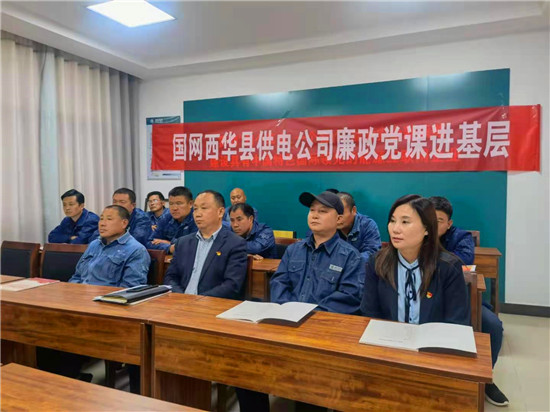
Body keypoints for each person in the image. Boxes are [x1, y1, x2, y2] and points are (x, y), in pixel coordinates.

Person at [237, 191, 364, 412]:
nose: (314, 215)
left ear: (338, 219)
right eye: (312, 210)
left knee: (310, 387)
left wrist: (307, 315)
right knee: (244, 368)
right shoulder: (294, 250)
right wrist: (289, 310)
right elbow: (279, 282)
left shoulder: (351, 256)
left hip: (322, 336)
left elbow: (350, 297)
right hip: (285, 327)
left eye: (323, 211)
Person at [38, 205, 150, 384]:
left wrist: (90, 301)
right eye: (101, 218)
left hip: (105, 311)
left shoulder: (136, 250)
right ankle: (55, 380)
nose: (102, 223)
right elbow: (77, 276)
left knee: (63, 332)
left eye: (109, 219)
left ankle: (67, 380)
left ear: (124, 223)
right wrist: (72, 296)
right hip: (79, 305)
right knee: (42, 327)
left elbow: (129, 290)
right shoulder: (94, 245)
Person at [429, 196, 509, 407]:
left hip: (461, 296)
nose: (433, 224)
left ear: (449, 223)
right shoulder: (416, 232)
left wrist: (430, 253)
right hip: (426, 296)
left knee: (492, 325)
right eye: (429, 218)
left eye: (439, 220)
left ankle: (486, 379)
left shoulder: (461, 236)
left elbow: (463, 260)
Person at [361, 194, 470, 326]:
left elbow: (457, 322)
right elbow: (369, 313)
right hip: (387, 336)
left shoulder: (449, 267)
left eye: (405, 222)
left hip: (435, 338)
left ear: (427, 229)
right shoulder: (377, 262)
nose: (395, 229)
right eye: (393, 221)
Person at [163, 190, 247, 299]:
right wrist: (182, 298)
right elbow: (170, 277)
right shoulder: (183, 242)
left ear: (220, 212)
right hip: (180, 302)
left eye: (204, 208)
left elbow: (232, 285)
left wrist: (199, 300)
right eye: (195, 209)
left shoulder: (235, 244)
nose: (198, 214)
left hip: (211, 304)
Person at [147, 186, 198, 254]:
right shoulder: (166, 218)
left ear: (190, 204)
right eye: (171, 204)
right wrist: (170, 248)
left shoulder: (197, 219)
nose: (174, 208)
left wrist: (170, 243)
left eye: (179, 203)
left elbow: (193, 246)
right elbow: (150, 243)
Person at [336, 191, 382, 263]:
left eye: (341, 213)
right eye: (334, 213)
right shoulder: (328, 225)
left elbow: (372, 254)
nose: (337, 218)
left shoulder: (368, 225)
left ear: (353, 210)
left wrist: (347, 261)